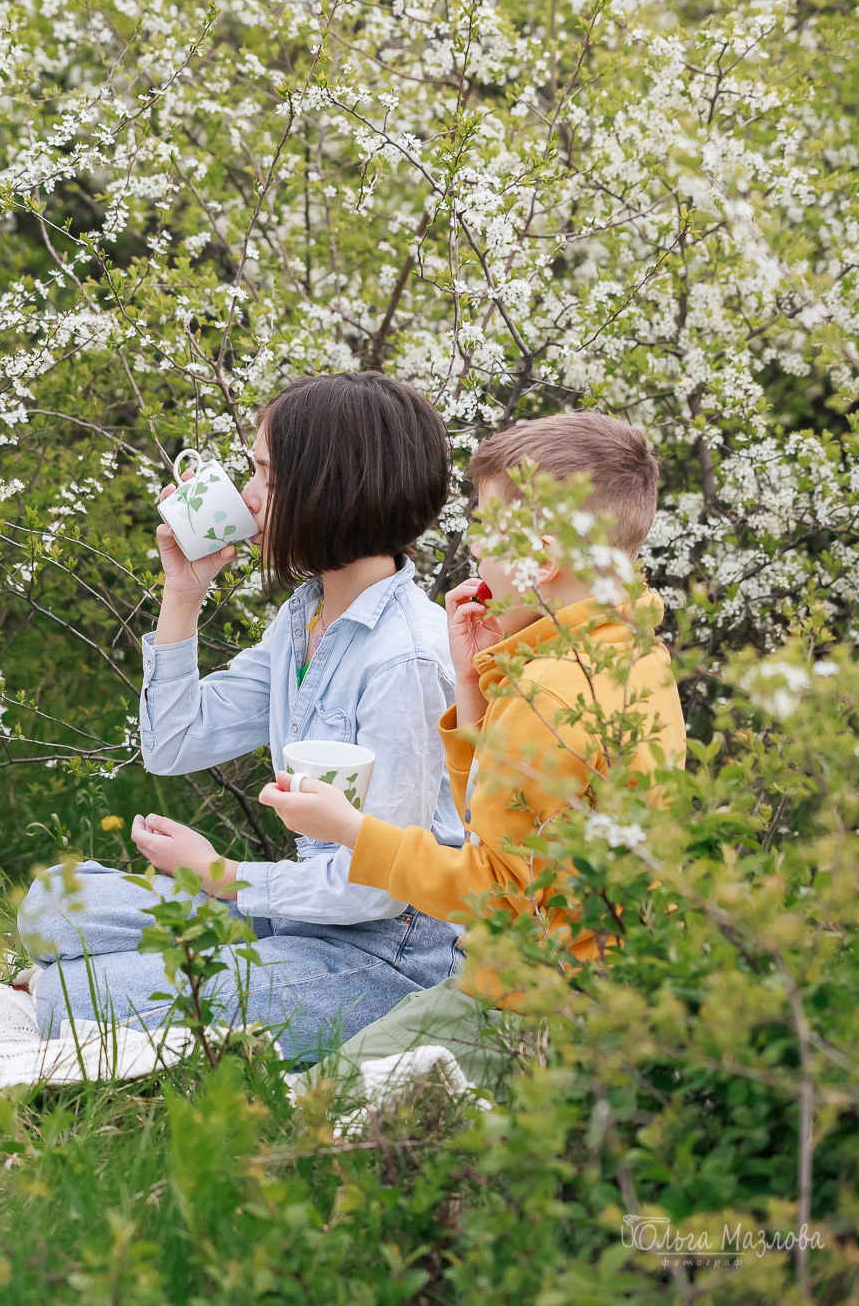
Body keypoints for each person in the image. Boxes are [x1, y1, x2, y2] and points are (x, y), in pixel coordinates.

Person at [18, 371, 467, 1062]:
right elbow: (172, 742)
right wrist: (184, 593)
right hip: (297, 916)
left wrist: (220, 875)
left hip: (386, 958)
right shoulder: (305, 618)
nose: (248, 497)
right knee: (53, 901)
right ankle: (209, 960)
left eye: (264, 474)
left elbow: (375, 889)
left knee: (67, 999)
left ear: (326, 488)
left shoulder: (405, 659)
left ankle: (162, 973)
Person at [263, 410, 686, 1093]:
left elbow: (493, 890)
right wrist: (476, 686)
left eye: (488, 528)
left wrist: (349, 831)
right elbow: (511, 834)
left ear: (541, 557)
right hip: (605, 997)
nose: (474, 548)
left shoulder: (552, 693)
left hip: (526, 1008)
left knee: (309, 1106)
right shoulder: (630, 656)